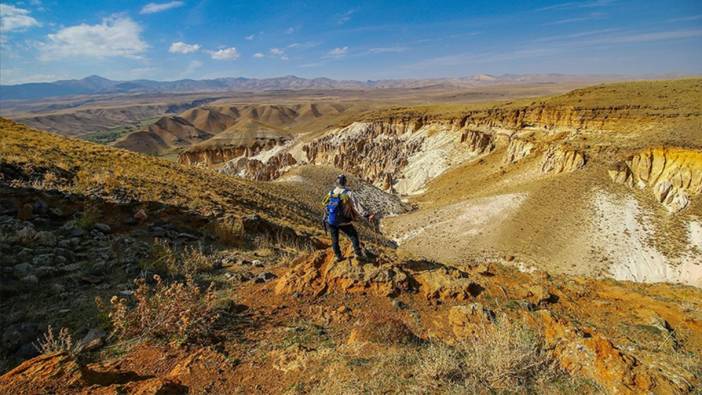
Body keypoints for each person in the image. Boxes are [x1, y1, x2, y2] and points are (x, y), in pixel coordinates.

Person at [323, 174, 375, 261]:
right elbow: (357, 206)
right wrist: (367, 215)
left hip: (331, 220)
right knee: (353, 235)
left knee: (334, 239)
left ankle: (338, 256)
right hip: (343, 221)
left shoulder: (331, 193)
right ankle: (358, 254)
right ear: (345, 183)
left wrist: (327, 217)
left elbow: (325, 205)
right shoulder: (348, 193)